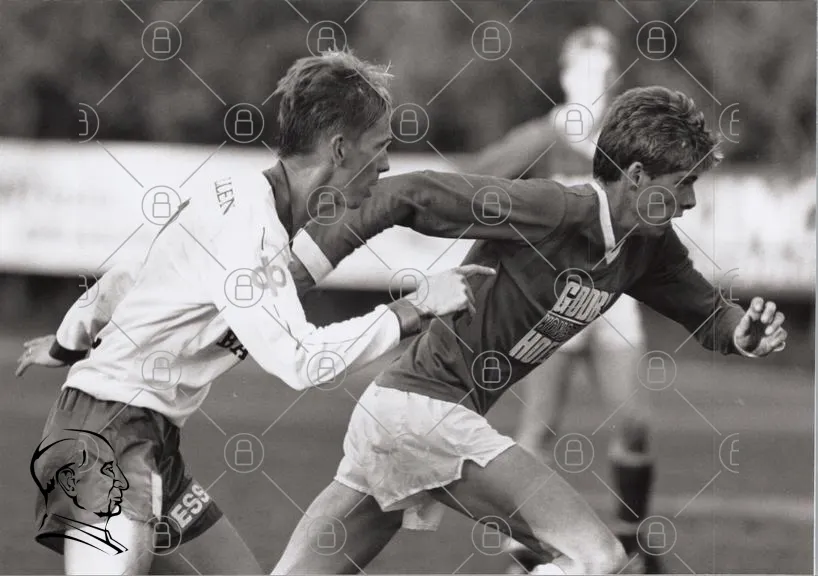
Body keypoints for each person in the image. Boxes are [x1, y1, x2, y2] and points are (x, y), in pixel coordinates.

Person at [271, 86, 788, 575]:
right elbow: (410, 193)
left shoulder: (648, 247)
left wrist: (743, 333)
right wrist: (297, 273)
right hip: (423, 413)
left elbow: (708, 313)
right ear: (636, 176)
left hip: (399, 416)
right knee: (598, 559)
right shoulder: (556, 210)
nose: (691, 201)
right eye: (683, 183)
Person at [16, 51, 491, 575]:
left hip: (141, 435)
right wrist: (414, 308)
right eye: (379, 146)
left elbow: (127, 279)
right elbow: (302, 361)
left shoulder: (242, 202)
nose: (384, 164)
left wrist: (66, 341)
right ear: (339, 149)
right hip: (106, 436)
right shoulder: (251, 232)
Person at [461, 26, 655, 573]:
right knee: (540, 428)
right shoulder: (542, 138)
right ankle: (524, 548)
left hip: (614, 301)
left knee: (634, 422)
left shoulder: (627, 142)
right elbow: (472, 181)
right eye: (587, 70)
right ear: (567, 77)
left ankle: (633, 542)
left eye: (606, 71)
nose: (598, 81)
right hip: (557, 303)